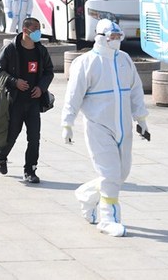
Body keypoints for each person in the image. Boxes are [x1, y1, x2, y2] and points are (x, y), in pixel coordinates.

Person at [61, 19, 148, 237]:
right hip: (98, 125)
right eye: (112, 38)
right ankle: (108, 219)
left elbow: (135, 89)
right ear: (100, 37)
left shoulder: (125, 59)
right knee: (110, 173)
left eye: (119, 37)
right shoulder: (85, 62)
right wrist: (67, 123)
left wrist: (141, 119)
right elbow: (74, 94)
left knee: (121, 173)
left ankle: (87, 194)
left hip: (123, 126)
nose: (116, 41)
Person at [0, 17, 54, 183]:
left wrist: (41, 88)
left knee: (34, 138)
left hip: (34, 102)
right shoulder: (11, 49)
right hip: (15, 101)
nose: (38, 32)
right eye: (35, 28)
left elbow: (49, 72)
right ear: (26, 30)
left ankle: (30, 171)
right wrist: (15, 82)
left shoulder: (41, 50)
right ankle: (1, 156)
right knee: (12, 135)